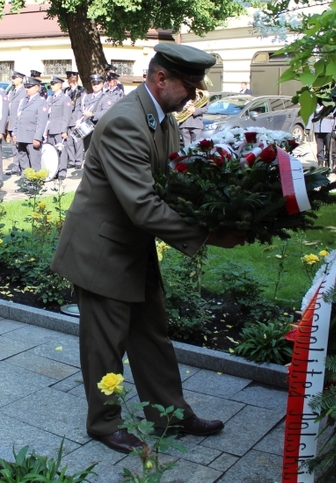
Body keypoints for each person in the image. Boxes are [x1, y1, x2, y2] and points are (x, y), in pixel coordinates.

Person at [50, 43, 243, 455]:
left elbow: (172, 182)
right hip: (101, 252)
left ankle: (169, 414)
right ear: (161, 78)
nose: (193, 96)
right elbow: (143, 205)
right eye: (189, 87)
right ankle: (104, 424)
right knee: (105, 346)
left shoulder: (162, 117)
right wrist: (209, 235)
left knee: (153, 335)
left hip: (131, 246)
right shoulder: (126, 122)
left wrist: (222, 206)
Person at [13, 77, 48, 172]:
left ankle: (35, 181)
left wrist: (37, 138)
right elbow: (18, 118)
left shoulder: (41, 102)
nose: (27, 89)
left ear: (37, 87)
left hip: (32, 137)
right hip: (21, 136)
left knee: (34, 163)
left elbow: (41, 122)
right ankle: (26, 180)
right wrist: (15, 133)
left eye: (29, 87)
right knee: (23, 162)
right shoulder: (23, 101)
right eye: (26, 87)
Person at [45, 76, 74, 180]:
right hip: (51, 129)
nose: (52, 86)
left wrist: (64, 130)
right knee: (52, 152)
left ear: (59, 85)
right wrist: (46, 129)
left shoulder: (65, 98)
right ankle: (54, 171)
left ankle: (62, 171)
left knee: (61, 151)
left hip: (59, 129)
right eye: (51, 84)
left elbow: (66, 116)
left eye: (54, 84)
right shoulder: (50, 98)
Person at [4, 71, 26, 175]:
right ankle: (16, 166)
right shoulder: (11, 92)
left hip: (20, 123)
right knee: (14, 147)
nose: (12, 80)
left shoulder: (24, 92)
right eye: (12, 78)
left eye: (14, 78)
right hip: (12, 123)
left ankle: (23, 167)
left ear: (21, 79)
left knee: (21, 147)